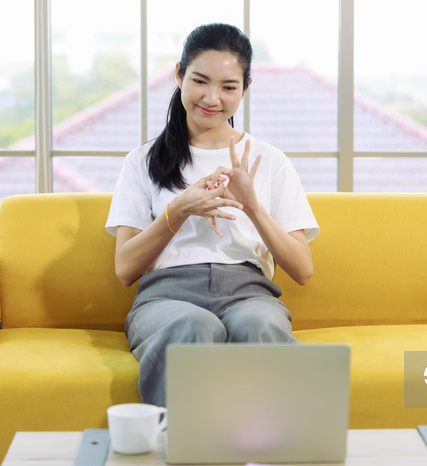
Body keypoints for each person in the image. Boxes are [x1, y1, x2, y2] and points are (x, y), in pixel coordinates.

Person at [105, 23, 319, 407]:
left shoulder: (269, 161)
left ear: (245, 88)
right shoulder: (142, 162)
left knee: (258, 325)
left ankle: (273, 452)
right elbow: (124, 269)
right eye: (200, 81)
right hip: (166, 298)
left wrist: (253, 207)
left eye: (228, 87)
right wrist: (178, 210)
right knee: (195, 326)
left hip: (248, 294)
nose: (212, 98)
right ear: (179, 75)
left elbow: (303, 270)